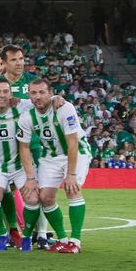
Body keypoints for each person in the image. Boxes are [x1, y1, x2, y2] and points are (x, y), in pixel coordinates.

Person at [28, 79, 90, 253]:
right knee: (45, 197)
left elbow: (72, 142)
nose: (38, 96)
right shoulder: (28, 109)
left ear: (50, 93)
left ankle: (76, 241)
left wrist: (70, 174)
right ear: (29, 95)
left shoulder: (65, 108)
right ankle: (62, 239)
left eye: (42, 92)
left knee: (72, 189)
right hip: (50, 156)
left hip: (76, 151)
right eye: (33, 93)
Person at [0, 78, 38, 251]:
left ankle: (26, 236)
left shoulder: (23, 106)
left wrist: (58, 98)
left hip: (20, 166)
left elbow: (45, 100)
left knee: (33, 199)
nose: (2, 95)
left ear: (11, 93)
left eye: (5, 91)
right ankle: (2, 234)